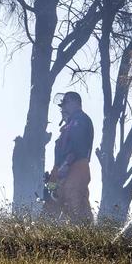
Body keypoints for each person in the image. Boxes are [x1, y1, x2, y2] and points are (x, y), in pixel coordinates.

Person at [44, 91, 94, 223]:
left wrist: (66, 164)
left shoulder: (80, 120)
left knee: (75, 201)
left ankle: (85, 235)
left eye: (65, 103)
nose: (62, 108)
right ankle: (47, 233)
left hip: (76, 166)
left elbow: (78, 145)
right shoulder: (69, 124)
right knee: (50, 198)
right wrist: (52, 177)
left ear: (75, 102)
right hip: (61, 168)